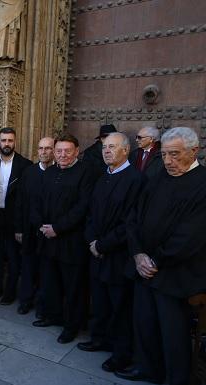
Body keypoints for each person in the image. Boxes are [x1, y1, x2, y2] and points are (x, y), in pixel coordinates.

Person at [116, 127, 206, 385]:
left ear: (194, 151)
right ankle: (146, 368)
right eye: (164, 154)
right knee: (144, 324)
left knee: (173, 334)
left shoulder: (202, 183)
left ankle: (175, 379)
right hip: (144, 268)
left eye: (175, 155)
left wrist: (155, 261)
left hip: (176, 276)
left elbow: (190, 237)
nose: (168, 161)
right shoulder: (156, 177)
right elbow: (132, 217)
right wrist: (138, 254)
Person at [78, 133, 144, 373]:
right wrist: (92, 240)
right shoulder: (102, 177)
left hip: (118, 256)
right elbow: (91, 213)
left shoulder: (135, 179)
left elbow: (131, 222)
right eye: (105, 147)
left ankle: (121, 353)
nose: (106, 151)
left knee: (120, 307)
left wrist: (103, 245)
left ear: (126, 150)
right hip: (97, 252)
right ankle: (99, 339)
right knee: (100, 301)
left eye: (112, 147)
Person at [31, 133, 95, 344]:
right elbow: (37, 201)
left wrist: (58, 228)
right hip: (47, 239)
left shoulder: (86, 172)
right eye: (58, 151)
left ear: (77, 151)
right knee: (51, 282)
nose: (62, 154)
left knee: (73, 287)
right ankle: (53, 315)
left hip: (71, 241)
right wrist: (42, 225)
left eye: (67, 151)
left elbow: (83, 207)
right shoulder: (49, 172)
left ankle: (72, 326)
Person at [0, 127, 32, 305]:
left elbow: (27, 198)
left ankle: (10, 292)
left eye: (10, 140)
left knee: (14, 258)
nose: (7, 144)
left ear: (15, 142)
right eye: (4, 140)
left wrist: (21, 226)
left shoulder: (26, 165)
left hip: (14, 218)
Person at [14, 136, 54, 315]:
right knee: (28, 266)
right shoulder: (29, 172)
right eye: (41, 148)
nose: (44, 152)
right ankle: (26, 301)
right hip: (29, 229)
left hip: (50, 231)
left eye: (47, 148)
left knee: (47, 270)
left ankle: (42, 304)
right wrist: (19, 229)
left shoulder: (58, 172)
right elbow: (20, 203)